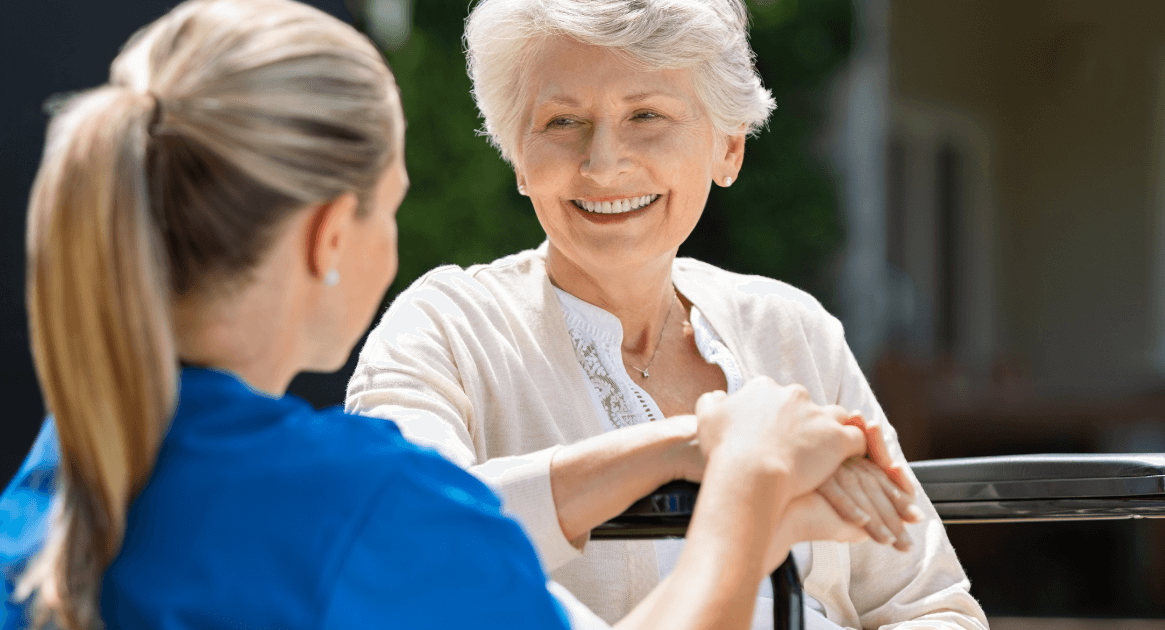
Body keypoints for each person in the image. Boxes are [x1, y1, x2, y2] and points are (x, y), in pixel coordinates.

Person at [0, 0, 882, 628]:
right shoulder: (366, 507)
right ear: (326, 238)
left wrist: (680, 443)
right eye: (392, 205)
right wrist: (746, 488)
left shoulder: (61, 478)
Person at [345, 0, 989, 628]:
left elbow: (930, 604)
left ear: (728, 148)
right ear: (519, 155)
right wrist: (702, 448)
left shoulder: (793, 329)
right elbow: (402, 541)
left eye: (646, 114)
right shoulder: (443, 330)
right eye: (563, 122)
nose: (602, 162)